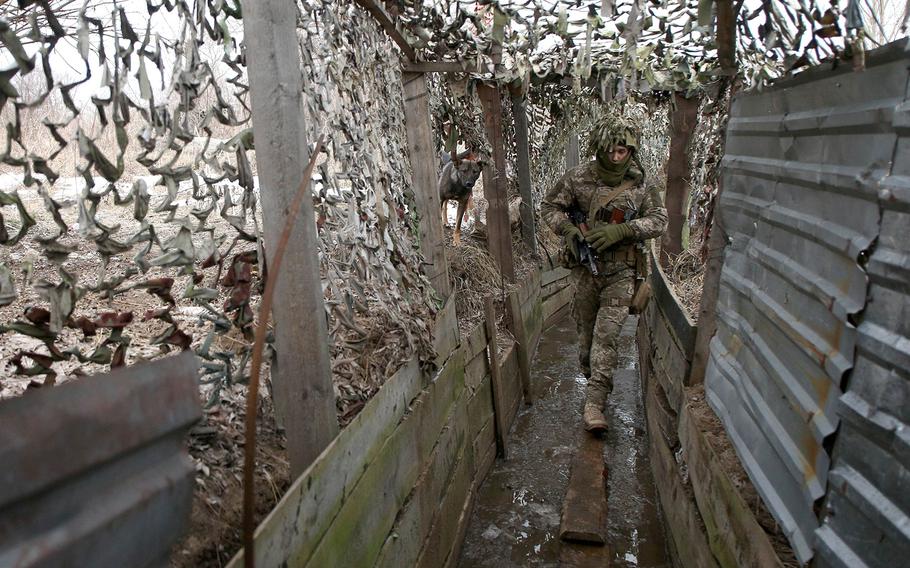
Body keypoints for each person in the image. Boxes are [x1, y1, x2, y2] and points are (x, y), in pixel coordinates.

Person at [541, 116, 668, 433]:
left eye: (622, 152)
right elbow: (548, 206)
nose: (615, 157)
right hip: (585, 271)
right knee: (586, 342)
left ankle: (595, 404)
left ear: (631, 151)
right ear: (599, 148)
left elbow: (659, 220)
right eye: (610, 150)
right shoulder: (578, 177)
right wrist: (568, 229)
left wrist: (624, 229)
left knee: (606, 337)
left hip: (623, 271)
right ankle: (592, 377)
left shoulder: (641, 184)